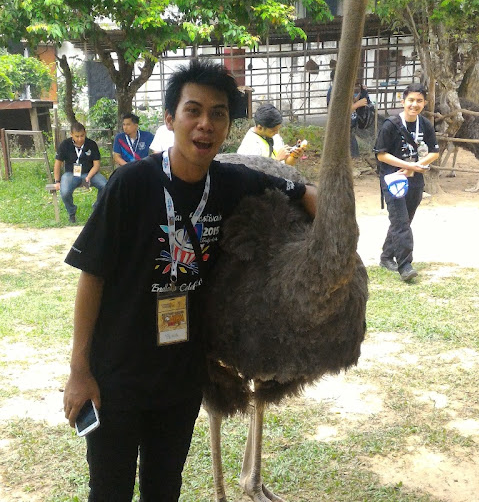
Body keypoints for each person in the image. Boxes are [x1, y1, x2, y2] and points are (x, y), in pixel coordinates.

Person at [62, 59, 317, 502]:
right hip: (117, 375)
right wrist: (79, 372)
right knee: (109, 491)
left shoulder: (231, 182)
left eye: (218, 114)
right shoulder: (130, 184)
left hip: (180, 380)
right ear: (170, 119)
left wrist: (334, 239)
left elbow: (303, 193)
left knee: (165, 490)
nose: (205, 124)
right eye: (193, 111)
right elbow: (92, 276)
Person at [374, 83, 439, 282]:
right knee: (401, 222)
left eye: (419, 101)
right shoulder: (390, 125)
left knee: (404, 220)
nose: (414, 104)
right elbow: (381, 155)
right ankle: (405, 265)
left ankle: (386, 257)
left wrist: (414, 167)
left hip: (415, 179)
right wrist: (406, 165)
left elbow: (434, 152)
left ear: (425, 103)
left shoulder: (425, 124)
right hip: (393, 180)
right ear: (402, 101)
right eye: (411, 100)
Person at [53, 122, 107, 224]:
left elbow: (96, 165)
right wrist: (57, 181)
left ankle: (97, 207)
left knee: (105, 185)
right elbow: (57, 164)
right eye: (76, 136)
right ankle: (71, 212)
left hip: (89, 172)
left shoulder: (91, 144)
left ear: (85, 133)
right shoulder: (65, 145)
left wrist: (89, 177)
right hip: (71, 174)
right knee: (64, 192)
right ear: (71, 134)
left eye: (82, 136)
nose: (79, 139)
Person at [327, 74, 371, 158]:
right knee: (351, 156)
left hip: (349, 127)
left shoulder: (343, 89)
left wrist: (362, 93)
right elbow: (337, 112)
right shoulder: (334, 91)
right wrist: (357, 105)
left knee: (354, 154)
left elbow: (351, 102)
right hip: (341, 128)